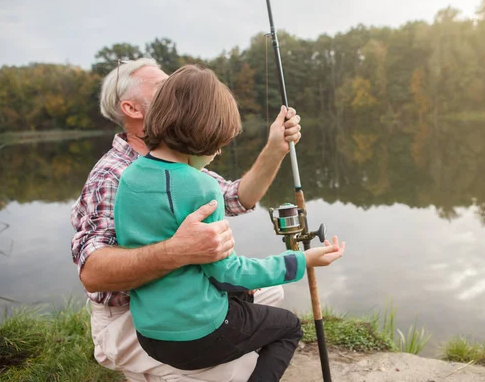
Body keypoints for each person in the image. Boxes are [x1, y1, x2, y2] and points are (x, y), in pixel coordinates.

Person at [70, 58, 303, 381]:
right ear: (132, 108)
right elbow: (93, 272)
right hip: (132, 315)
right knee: (241, 369)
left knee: (269, 291)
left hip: (185, 296)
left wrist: (275, 148)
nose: (177, 89)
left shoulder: (180, 160)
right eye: (165, 87)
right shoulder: (112, 174)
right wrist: (177, 250)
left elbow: (237, 197)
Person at [114, 64, 345, 382]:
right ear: (201, 132)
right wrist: (301, 260)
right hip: (197, 335)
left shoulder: (128, 176)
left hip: (149, 334)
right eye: (218, 143)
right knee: (288, 328)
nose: (219, 151)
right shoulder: (202, 186)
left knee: (245, 298)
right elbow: (228, 273)